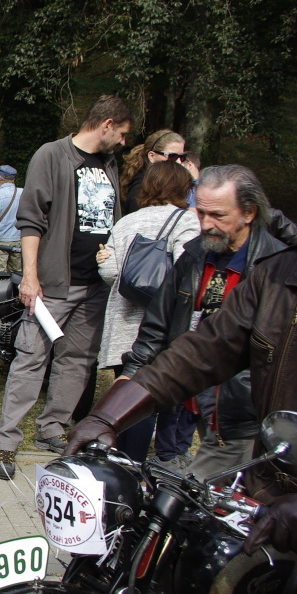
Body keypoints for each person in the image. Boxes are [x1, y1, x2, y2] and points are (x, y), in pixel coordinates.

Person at [64, 119, 297, 594]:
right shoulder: (282, 277)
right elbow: (198, 352)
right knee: (194, 585)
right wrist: (110, 415)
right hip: (276, 493)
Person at [116, 164, 297, 480]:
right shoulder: (195, 254)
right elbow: (158, 322)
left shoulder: (275, 265)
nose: (206, 224)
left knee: (201, 493)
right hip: (193, 394)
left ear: (249, 213)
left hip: (242, 412)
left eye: (218, 215)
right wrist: (132, 374)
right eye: (201, 213)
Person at [0, 95, 133, 479]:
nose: (123, 142)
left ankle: (52, 430)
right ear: (106, 124)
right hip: (53, 284)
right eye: (121, 134)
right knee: (31, 357)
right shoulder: (51, 155)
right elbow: (31, 219)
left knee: (77, 362)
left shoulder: (109, 163)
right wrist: (31, 275)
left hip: (95, 286)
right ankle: (4, 442)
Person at [94, 160, 200, 466]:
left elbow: (112, 273)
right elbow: (187, 277)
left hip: (125, 326)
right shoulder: (187, 223)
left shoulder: (126, 222)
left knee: (126, 401)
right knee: (153, 405)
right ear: (183, 189)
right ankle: (134, 470)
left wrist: (104, 260)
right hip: (164, 328)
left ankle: (117, 464)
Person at [119, 128, 186, 214]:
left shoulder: (162, 184)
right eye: (172, 156)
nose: (179, 162)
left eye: (182, 157)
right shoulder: (140, 188)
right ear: (152, 156)